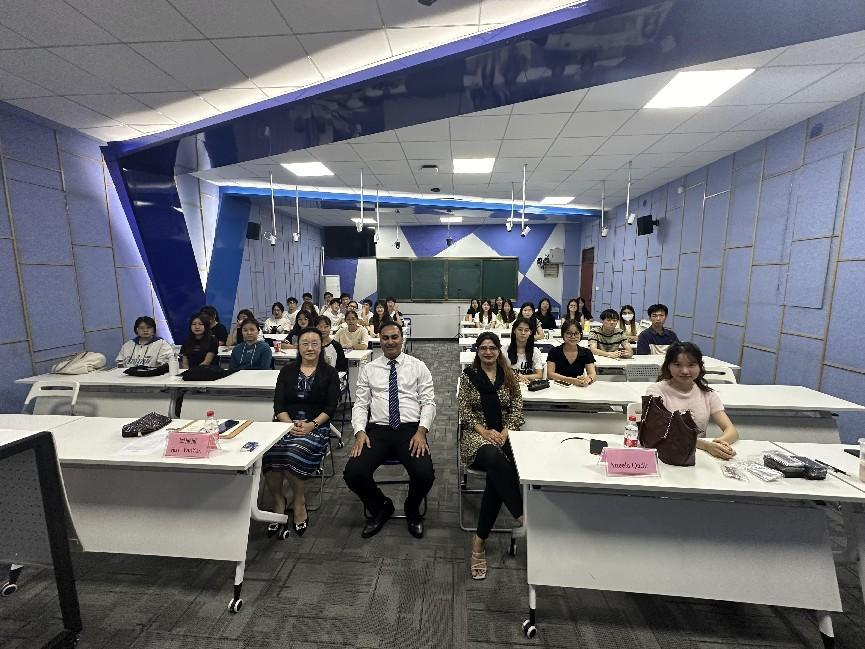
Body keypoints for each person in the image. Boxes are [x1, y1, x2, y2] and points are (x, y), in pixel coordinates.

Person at [344, 322, 436, 539]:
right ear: (380, 340)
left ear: (402, 339)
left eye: (395, 337)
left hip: (410, 431)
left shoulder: (418, 366)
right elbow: (360, 404)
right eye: (385, 338)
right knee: (353, 473)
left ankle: (412, 508)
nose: (390, 342)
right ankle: (381, 507)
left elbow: (428, 402)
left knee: (425, 474)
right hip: (378, 430)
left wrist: (422, 431)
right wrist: (360, 432)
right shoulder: (369, 369)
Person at [458, 332, 524, 580]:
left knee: (497, 477)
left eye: (492, 348)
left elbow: (517, 406)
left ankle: (479, 540)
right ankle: (520, 514)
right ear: (477, 351)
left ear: (499, 350)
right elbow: (465, 410)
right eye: (483, 348)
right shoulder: (469, 377)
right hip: (477, 437)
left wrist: (505, 431)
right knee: (496, 460)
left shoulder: (509, 375)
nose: (488, 352)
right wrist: (485, 432)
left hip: (507, 434)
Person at [265, 327, 340, 536]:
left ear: (321, 346)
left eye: (314, 343)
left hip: (316, 426)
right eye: (305, 343)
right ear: (298, 346)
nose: (310, 348)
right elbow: (278, 404)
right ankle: (278, 502)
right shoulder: (287, 371)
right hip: (285, 424)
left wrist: (311, 425)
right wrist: (289, 425)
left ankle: (299, 501)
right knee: (270, 452)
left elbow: (330, 408)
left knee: (293, 452)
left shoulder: (329, 373)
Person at [645, 342, 739, 459]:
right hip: (667, 455)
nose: (685, 371)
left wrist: (719, 443)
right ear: (668, 366)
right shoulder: (656, 391)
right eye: (678, 365)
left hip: (699, 456)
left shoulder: (707, 394)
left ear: (700, 366)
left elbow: (731, 431)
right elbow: (659, 434)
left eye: (691, 365)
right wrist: (705, 445)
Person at [546, 320, 597, 386]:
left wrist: (588, 379)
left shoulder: (586, 352)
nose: (573, 336)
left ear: (581, 334)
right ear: (563, 334)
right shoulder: (554, 351)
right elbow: (550, 374)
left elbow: (592, 374)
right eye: (569, 333)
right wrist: (571, 380)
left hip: (578, 387)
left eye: (576, 333)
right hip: (557, 387)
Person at [506, 317, 544, 382]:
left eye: (526, 330)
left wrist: (521, 377)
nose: (523, 333)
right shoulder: (504, 350)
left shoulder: (535, 351)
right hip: (510, 384)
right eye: (520, 329)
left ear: (530, 332)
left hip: (528, 385)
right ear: (514, 331)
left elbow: (539, 375)